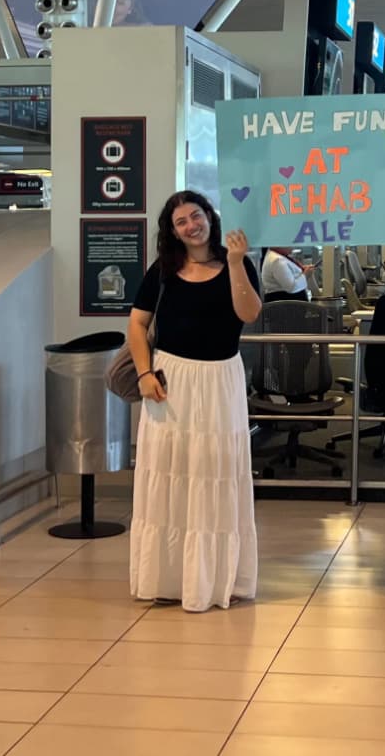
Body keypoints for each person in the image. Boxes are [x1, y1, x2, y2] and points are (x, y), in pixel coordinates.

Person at [126, 190, 262, 612]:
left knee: (214, 472)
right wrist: (144, 373)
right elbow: (136, 324)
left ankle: (213, 578)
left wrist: (236, 263)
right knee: (170, 471)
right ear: (172, 231)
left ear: (210, 217)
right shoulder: (162, 271)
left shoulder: (237, 262)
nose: (191, 225)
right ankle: (167, 578)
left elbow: (249, 313)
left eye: (196, 215)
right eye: (180, 221)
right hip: (171, 381)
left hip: (220, 379)